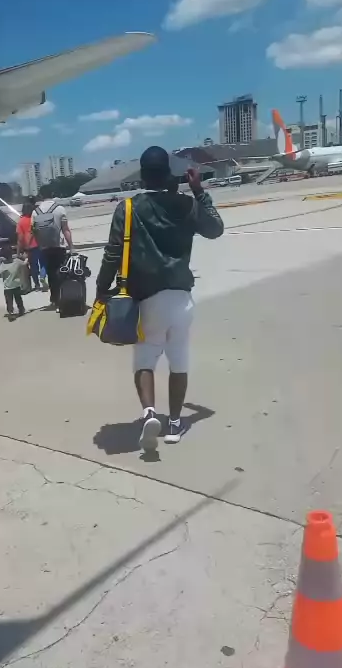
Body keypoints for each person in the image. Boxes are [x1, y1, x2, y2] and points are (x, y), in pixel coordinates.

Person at [96, 146, 224, 451]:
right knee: (179, 360)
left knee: (144, 360)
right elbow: (215, 229)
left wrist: (101, 289)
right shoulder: (187, 205)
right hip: (181, 299)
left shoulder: (128, 208)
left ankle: (150, 413)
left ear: (142, 175)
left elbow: (113, 253)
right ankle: (176, 423)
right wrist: (199, 191)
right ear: (168, 172)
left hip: (148, 300)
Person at [31, 198, 73, 309]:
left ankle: (54, 299)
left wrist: (40, 244)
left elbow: (34, 231)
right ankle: (63, 297)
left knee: (51, 273)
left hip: (45, 247)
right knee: (61, 272)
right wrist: (71, 247)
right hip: (59, 246)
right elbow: (65, 230)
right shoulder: (59, 209)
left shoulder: (35, 212)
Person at [17, 201, 47, 291]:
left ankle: (37, 285)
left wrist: (19, 251)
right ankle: (42, 276)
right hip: (40, 243)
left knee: (33, 266)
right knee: (43, 262)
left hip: (29, 246)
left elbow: (20, 238)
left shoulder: (21, 221)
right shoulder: (35, 218)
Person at [0, 249, 27, 318]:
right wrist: (26, 258)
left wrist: (0, 263)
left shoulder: (3, 264)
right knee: (18, 298)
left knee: (9, 301)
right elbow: (24, 264)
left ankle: (10, 312)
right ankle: (21, 309)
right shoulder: (17, 261)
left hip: (7, 287)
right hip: (16, 284)